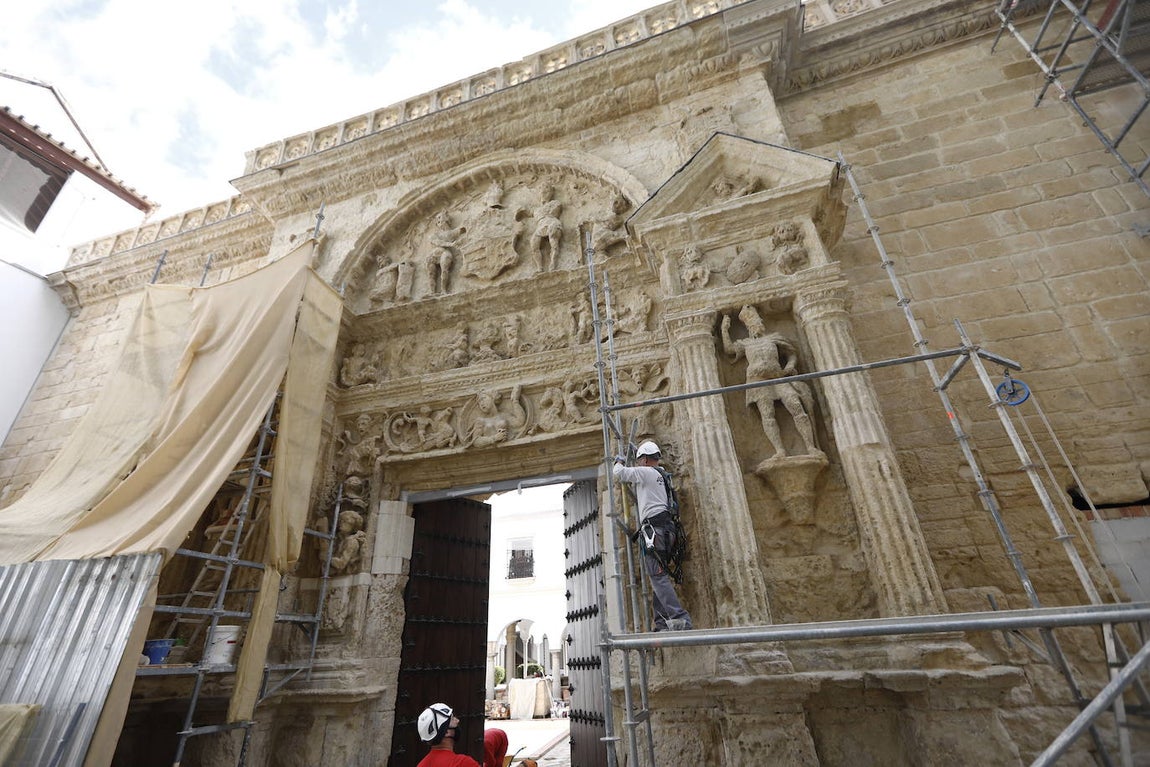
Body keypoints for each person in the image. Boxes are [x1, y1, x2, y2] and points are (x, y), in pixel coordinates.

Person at [613, 441, 693, 632]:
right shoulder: (663, 475)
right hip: (667, 531)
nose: (639, 463)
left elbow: (620, 474)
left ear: (646, 459)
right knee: (660, 576)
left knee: (658, 578)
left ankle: (680, 618)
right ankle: (661, 622)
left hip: (654, 532)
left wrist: (618, 461)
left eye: (640, 460)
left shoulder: (646, 472)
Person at [415, 703, 510, 767]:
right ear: (446, 732)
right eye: (452, 719)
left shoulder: (421, 765)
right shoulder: (463, 763)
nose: (457, 721)